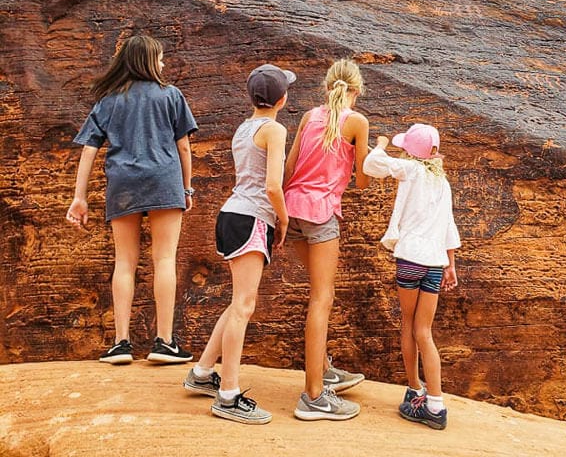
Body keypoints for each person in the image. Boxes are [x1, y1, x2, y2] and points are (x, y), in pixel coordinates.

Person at [66, 34, 197, 365]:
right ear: (148, 62)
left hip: (123, 184)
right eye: (161, 58)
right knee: (164, 260)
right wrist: (187, 187)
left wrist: (79, 197)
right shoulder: (171, 96)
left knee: (124, 261)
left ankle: (121, 343)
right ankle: (164, 342)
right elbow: (183, 147)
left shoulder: (110, 100)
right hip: (165, 181)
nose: (164, 64)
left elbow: (90, 148)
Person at [183, 64, 294, 425]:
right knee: (244, 306)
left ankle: (202, 373)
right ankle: (228, 396)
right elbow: (273, 186)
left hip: (232, 215)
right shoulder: (275, 129)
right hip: (253, 219)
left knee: (237, 305)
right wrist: (284, 219)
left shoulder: (244, 128)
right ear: (282, 99)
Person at [283, 59, 371, 421]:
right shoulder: (357, 122)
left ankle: (324, 370)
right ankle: (314, 395)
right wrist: (374, 153)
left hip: (291, 209)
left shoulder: (308, 116)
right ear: (357, 89)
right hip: (321, 214)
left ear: (327, 86)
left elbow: (288, 169)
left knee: (316, 292)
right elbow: (363, 181)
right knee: (322, 297)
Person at [362, 124, 460, 430]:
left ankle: (415, 389)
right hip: (434, 262)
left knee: (408, 324)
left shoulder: (410, 169)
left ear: (409, 151)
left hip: (410, 260)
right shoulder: (442, 183)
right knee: (425, 332)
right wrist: (450, 264)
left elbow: (370, 165)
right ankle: (435, 404)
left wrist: (379, 144)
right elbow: (449, 226)